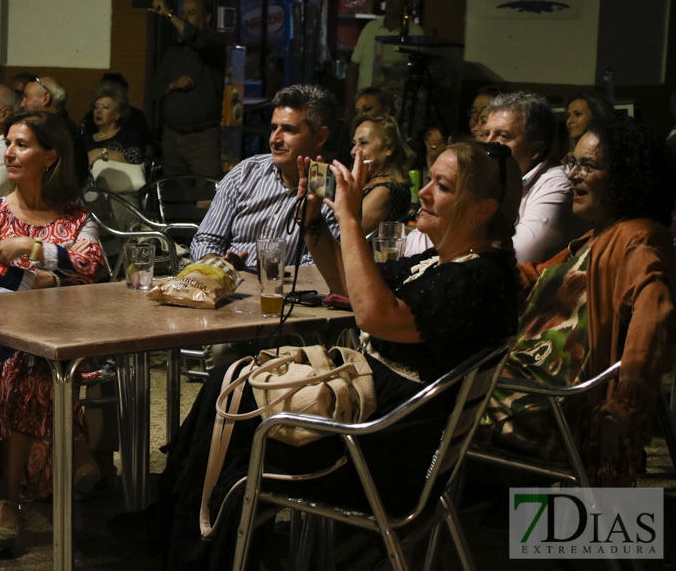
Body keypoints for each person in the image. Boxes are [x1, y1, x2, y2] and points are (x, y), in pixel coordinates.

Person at [152, 140, 523, 570]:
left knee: (233, 402)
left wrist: (348, 216)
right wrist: (315, 224)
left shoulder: (477, 279)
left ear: (481, 209)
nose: (423, 193)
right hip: (375, 428)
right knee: (230, 383)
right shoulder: (448, 263)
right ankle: (180, 532)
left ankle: (192, 548)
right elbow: (350, 285)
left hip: (381, 455)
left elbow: (373, 315)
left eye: (441, 186)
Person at [483, 118, 676, 487]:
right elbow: (536, 275)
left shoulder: (640, 238)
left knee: (420, 402)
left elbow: (655, 322)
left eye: (587, 166)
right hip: (523, 388)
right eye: (572, 161)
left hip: (543, 407)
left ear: (627, 174)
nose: (571, 174)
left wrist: (622, 409)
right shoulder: (601, 234)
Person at [0, 111, 106, 548]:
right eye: (8, 143)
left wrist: (33, 248)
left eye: (21, 145)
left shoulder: (77, 217)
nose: (8, 152)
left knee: (41, 355)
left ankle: (10, 501)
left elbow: (95, 267)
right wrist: (51, 275)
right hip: (3, 343)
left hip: (72, 341)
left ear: (50, 157)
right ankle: (76, 445)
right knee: (30, 354)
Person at [405, 91, 588, 264]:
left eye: (503, 135)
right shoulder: (487, 178)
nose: (487, 144)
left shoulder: (557, 184)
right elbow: (416, 244)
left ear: (536, 149)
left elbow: (518, 255)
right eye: (486, 134)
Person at [190, 84, 340, 268]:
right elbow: (205, 240)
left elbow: (317, 272)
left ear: (320, 137)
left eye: (288, 129)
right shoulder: (246, 173)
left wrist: (266, 279)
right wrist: (222, 268)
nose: (274, 139)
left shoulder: (329, 190)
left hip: (284, 294)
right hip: (226, 289)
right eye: (273, 128)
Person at [149, 0, 226, 178]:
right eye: (182, 13)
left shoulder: (214, 44)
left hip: (201, 138)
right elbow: (155, 90)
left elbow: (196, 38)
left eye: (191, 13)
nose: (184, 18)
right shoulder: (173, 52)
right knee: (175, 195)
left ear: (207, 18)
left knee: (207, 194)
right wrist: (172, 85)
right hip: (171, 137)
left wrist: (168, 14)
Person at [345, 0, 423, 106]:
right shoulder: (370, 28)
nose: (390, 0)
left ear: (408, 2)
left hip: (394, 105)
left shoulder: (416, 33)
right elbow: (353, 67)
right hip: (364, 104)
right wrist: (350, 104)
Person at [347, 114, 413, 233]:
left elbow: (346, 236)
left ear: (388, 148)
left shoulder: (384, 191)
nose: (353, 151)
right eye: (354, 144)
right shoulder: (368, 183)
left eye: (363, 143)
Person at [20, 75, 89, 185]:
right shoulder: (61, 126)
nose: (22, 104)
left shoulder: (55, 131)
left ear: (45, 98)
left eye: (26, 97)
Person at [83, 83, 145, 167]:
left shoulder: (128, 135)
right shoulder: (86, 140)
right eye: (96, 107)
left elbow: (134, 157)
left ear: (117, 114)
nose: (98, 111)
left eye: (105, 107)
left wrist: (100, 153)